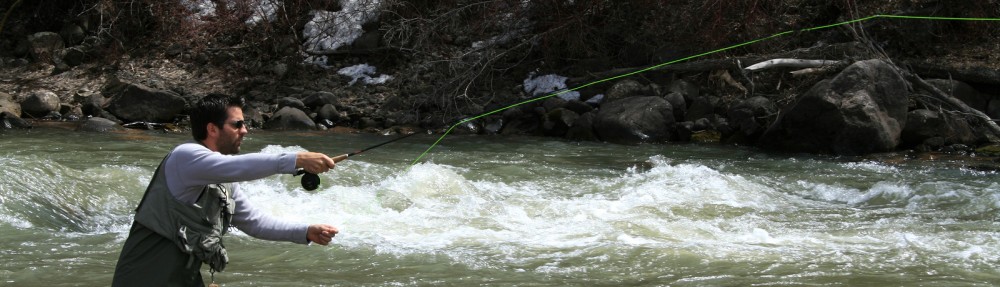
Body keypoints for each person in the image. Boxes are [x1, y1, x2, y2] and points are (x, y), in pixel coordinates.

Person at [112, 94, 339, 286]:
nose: (245, 130)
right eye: (237, 124)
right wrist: (296, 159)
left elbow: (254, 222)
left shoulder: (224, 180)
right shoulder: (185, 156)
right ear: (212, 128)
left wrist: (305, 231)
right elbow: (238, 167)